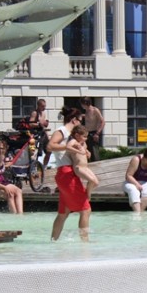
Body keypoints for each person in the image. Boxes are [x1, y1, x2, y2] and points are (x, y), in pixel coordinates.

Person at [47, 107, 91, 241]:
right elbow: (50, 146)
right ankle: (85, 242)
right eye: (80, 121)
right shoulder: (62, 131)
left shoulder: (72, 135)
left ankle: (53, 241)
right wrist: (67, 147)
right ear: (74, 120)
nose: (81, 124)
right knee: (85, 210)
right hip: (67, 173)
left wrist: (85, 150)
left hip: (64, 174)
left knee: (63, 213)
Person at [65, 125, 100, 201]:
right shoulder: (74, 141)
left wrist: (88, 152)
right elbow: (67, 147)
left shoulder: (83, 143)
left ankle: (84, 193)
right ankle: (87, 196)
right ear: (77, 135)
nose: (86, 138)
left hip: (85, 167)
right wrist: (78, 151)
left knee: (96, 182)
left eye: (86, 137)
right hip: (79, 167)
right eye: (84, 136)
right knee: (92, 181)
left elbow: (85, 150)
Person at [79, 97, 105, 162]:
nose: (81, 106)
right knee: (87, 151)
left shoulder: (95, 110)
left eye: (82, 104)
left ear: (85, 103)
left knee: (94, 153)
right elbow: (89, 118)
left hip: (93, 133)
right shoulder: (87, 111)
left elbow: (103, 122)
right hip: (86, 133)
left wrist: (97, 133)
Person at [28, 98, 51, 167]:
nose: (44, 108)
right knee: (37, 152)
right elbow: (30, 124)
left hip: (43, 133)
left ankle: (44, 166)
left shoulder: (43, 114)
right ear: (38, 106)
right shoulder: (35, 113)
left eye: (45, 106)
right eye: (43, 106)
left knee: (49, 150)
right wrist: (38, 124)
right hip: (36, 134)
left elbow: (44, 126)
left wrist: (48, 136)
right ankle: (34, 166)